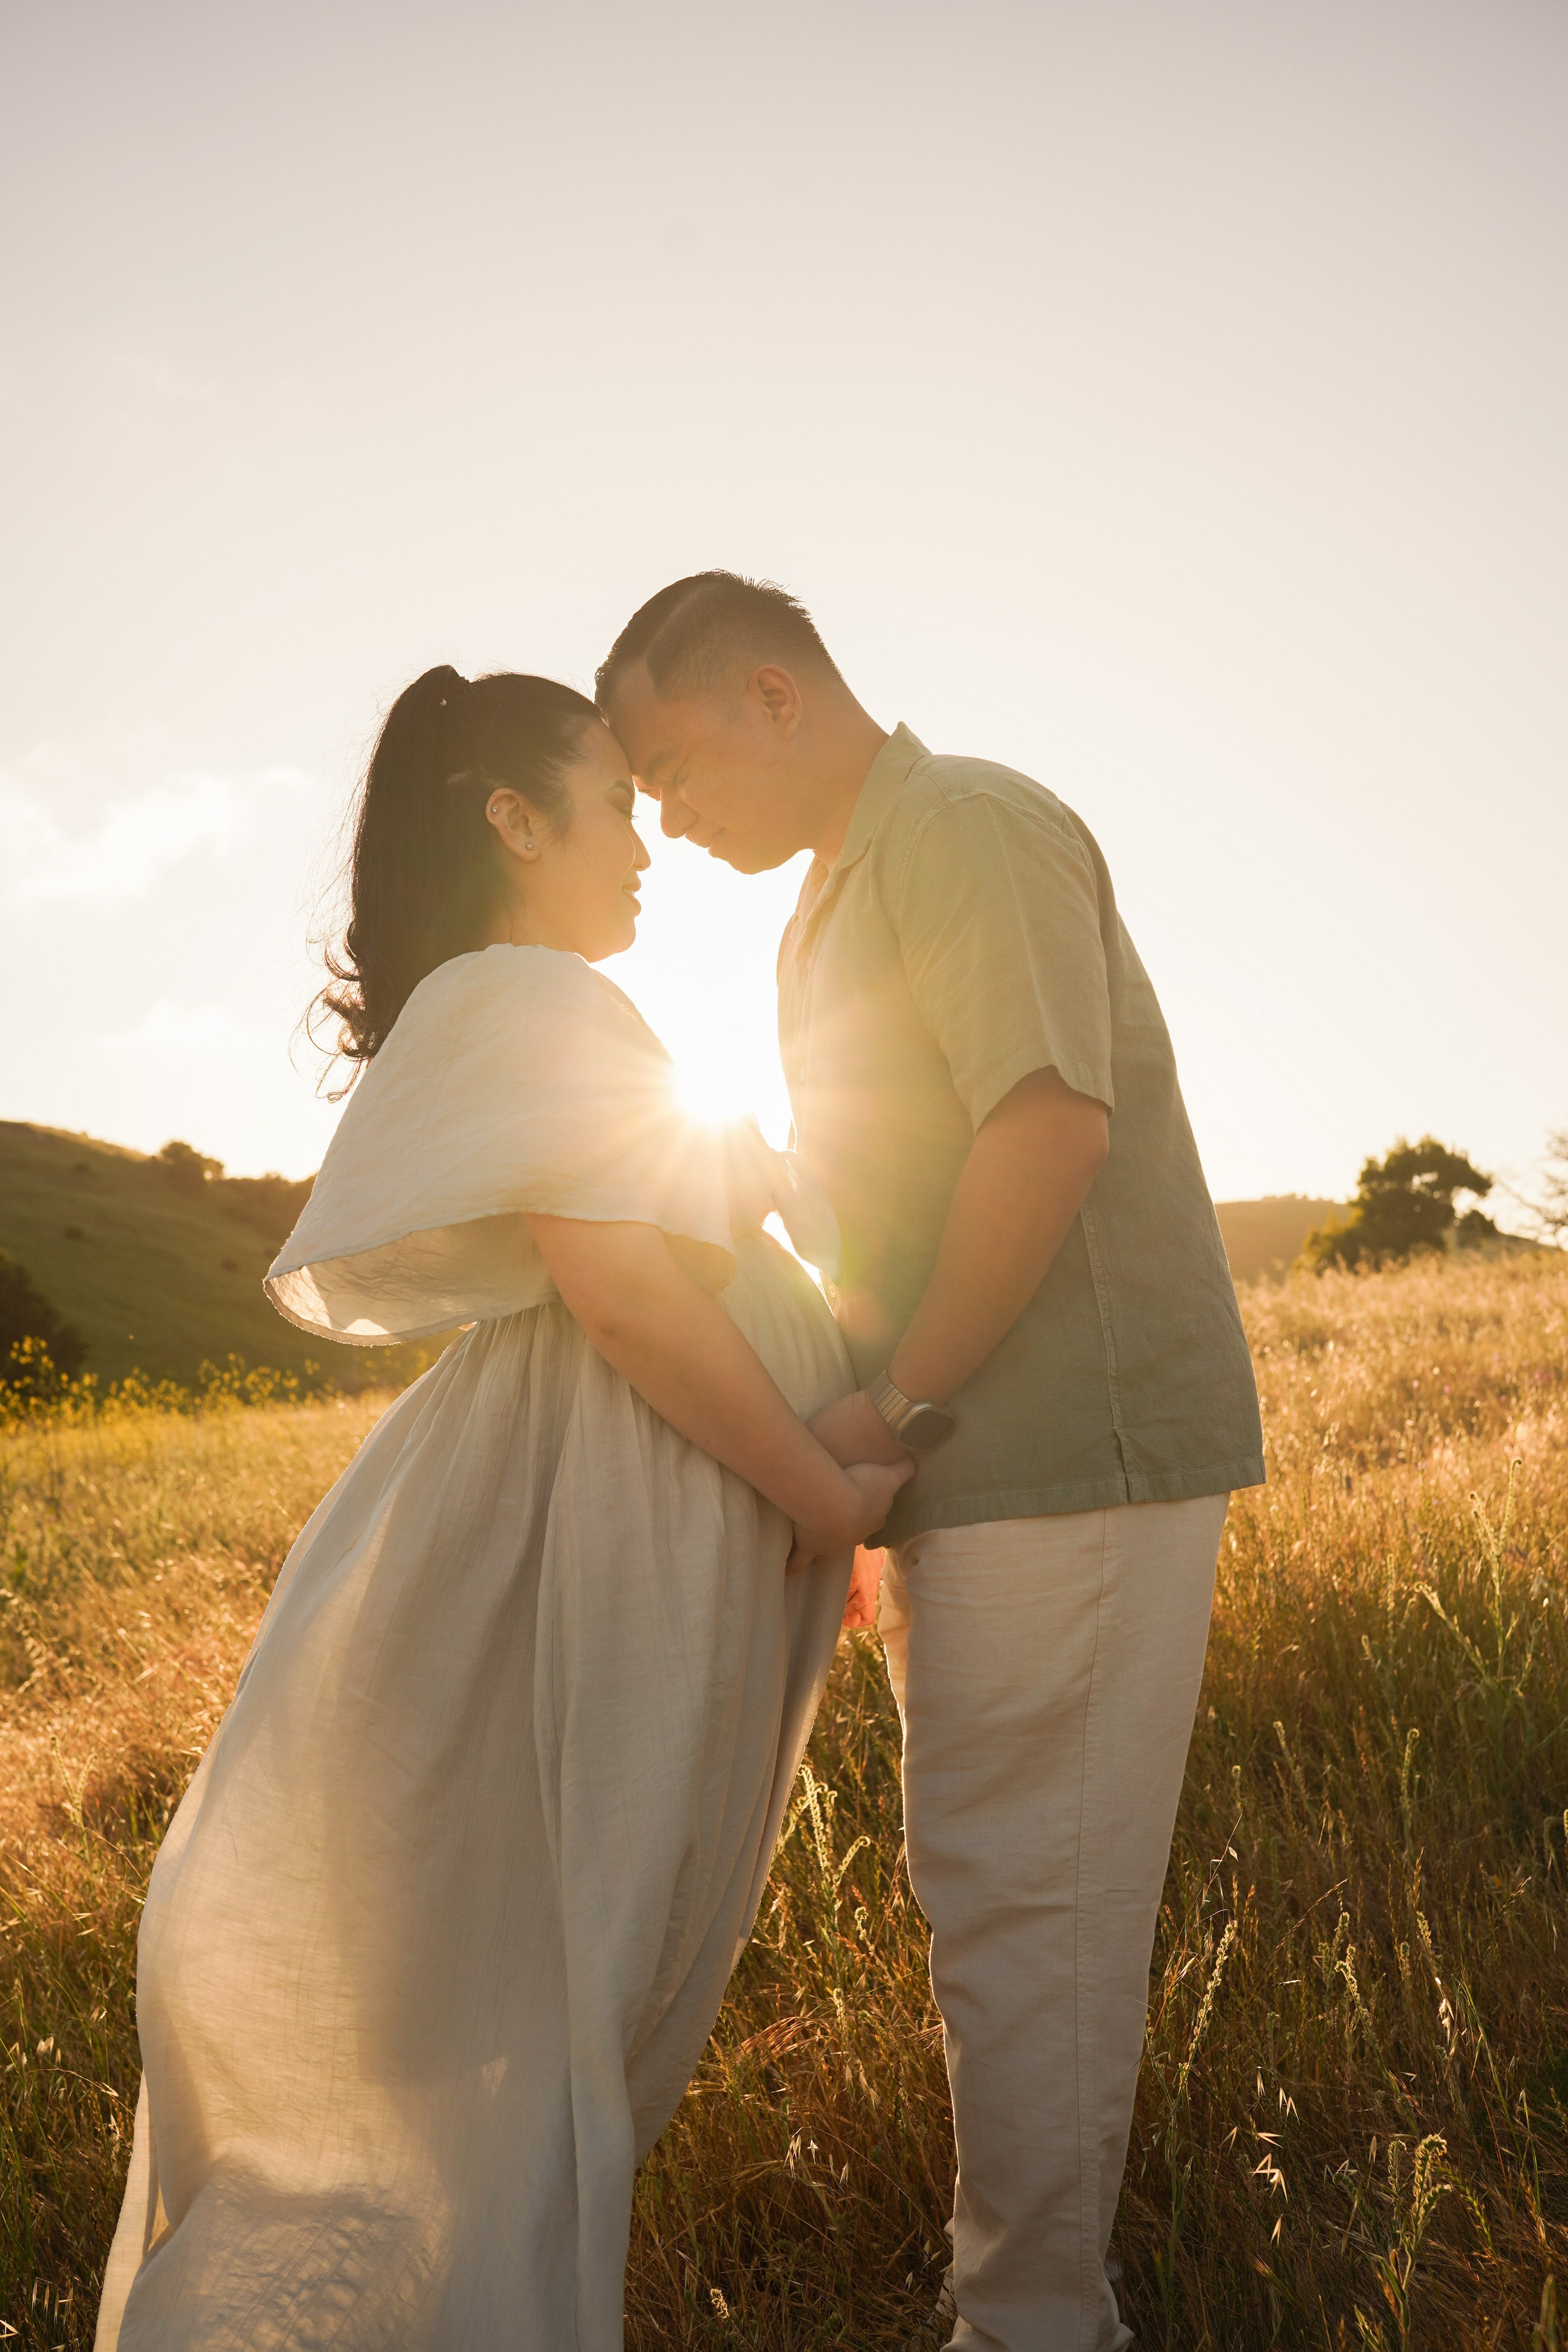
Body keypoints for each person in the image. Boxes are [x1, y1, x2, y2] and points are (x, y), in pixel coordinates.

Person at [93, 666, 910, 2351]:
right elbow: (619, 1293)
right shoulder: (536, 999)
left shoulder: (530, 1007)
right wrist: (821, 1488)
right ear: (515, 821)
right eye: (616, 803)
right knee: (535, 2013)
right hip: (601, 1514)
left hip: (610, 1505)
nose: (645, 848)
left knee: (531, 2017)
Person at [598, 576, 1265, 2352]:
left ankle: (1037, 2321)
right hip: (984, 1466)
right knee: (987, 1885)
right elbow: (889, 1201)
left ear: (774, 693)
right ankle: (1024, 2303)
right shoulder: (824, 908)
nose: (665, 817)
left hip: (1077, 1457)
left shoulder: (964, 825)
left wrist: (891, 1419)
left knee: (1030, 1898)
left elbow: (1048, 1128)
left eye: (673, 764)